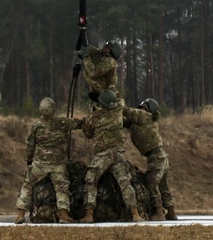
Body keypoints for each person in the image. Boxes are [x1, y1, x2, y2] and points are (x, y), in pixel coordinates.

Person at [14, 97, 83, 224]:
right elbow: (78, 124)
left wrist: (29, 160)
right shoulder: (62, 122)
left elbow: (30, 145)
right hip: (58, 164)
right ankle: (63, 214)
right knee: (61, 188)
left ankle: (20, 214)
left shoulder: (36, 125)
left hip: (40, 164)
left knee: (27, 185)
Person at [79, 89, 141, 223]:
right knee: (125, 183)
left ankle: (89, 214)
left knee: (91, 180)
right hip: (118, 154)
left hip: (103, 155)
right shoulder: (118, 111)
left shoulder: (94, 117)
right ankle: (135, 213)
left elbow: (88, 134)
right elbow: (120, 100)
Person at [128, 98, 177, 221]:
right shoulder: (140, 119)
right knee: (163, 186)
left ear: (146, 108)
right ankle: (171, 212)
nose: (141, 109)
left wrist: (115, 103)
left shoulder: (144, 116)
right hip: (160, 155)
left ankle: (158, 211)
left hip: (156, 155)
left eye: (143, 107)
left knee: (151, 183)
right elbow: (125, 121)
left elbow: (127, 111)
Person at [79, 41, 123, 106]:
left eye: (107, 47)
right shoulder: (100, 53)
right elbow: (89, 49)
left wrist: (86, 57)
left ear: (112, 52)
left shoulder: (110, 61)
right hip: (99, 93)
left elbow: (93, 72)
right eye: (105, 45)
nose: (104, 47)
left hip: (107, 95)